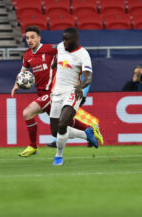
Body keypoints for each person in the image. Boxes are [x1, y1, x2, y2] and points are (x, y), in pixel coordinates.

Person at [11, 26, 96, 157]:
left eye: (32, 37)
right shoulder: (27, 55)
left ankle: (33, 146)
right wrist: (16, 84)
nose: (30, 40)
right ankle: (88, 130)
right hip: (42, 93)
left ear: (39, 38)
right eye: (27, 38)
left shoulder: (50, 49)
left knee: (27, 113)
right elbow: (23, 71)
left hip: (51, 92)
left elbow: (68, 51)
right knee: (60, 127)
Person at [50, 27, 104, 166]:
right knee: (55, 132)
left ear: (75, 40)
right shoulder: (61, 47)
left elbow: (89, 77)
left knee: (63, 124)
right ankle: (87, 134)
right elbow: (56, 56)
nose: (63, 42)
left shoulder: (83, 54)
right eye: (63, 38)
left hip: (73, 91)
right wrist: (54, 63)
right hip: (57, 92)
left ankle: (58, 157)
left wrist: (80, 87)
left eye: (66, 39)